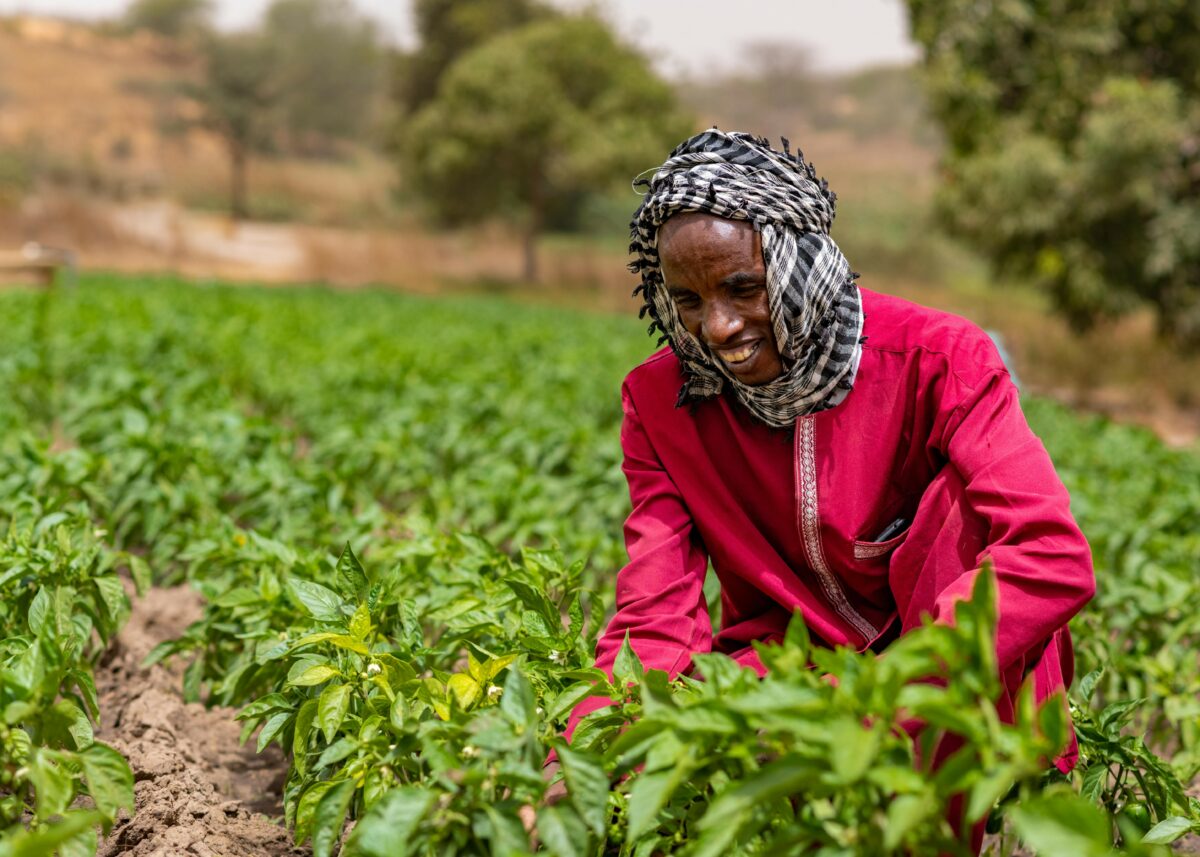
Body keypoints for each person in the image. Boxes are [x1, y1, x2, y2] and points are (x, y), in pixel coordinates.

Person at [548, 129, 1096, 847]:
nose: (719, 328)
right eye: (686, 299)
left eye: (743, 287)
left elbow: (1048, 553)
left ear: (798, 263)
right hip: (786, 667)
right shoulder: (661, 406)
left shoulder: (936, 358)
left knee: (965, 515)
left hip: (943, 667)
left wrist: (885, 699)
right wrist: (584, 753)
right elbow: (655, 614)